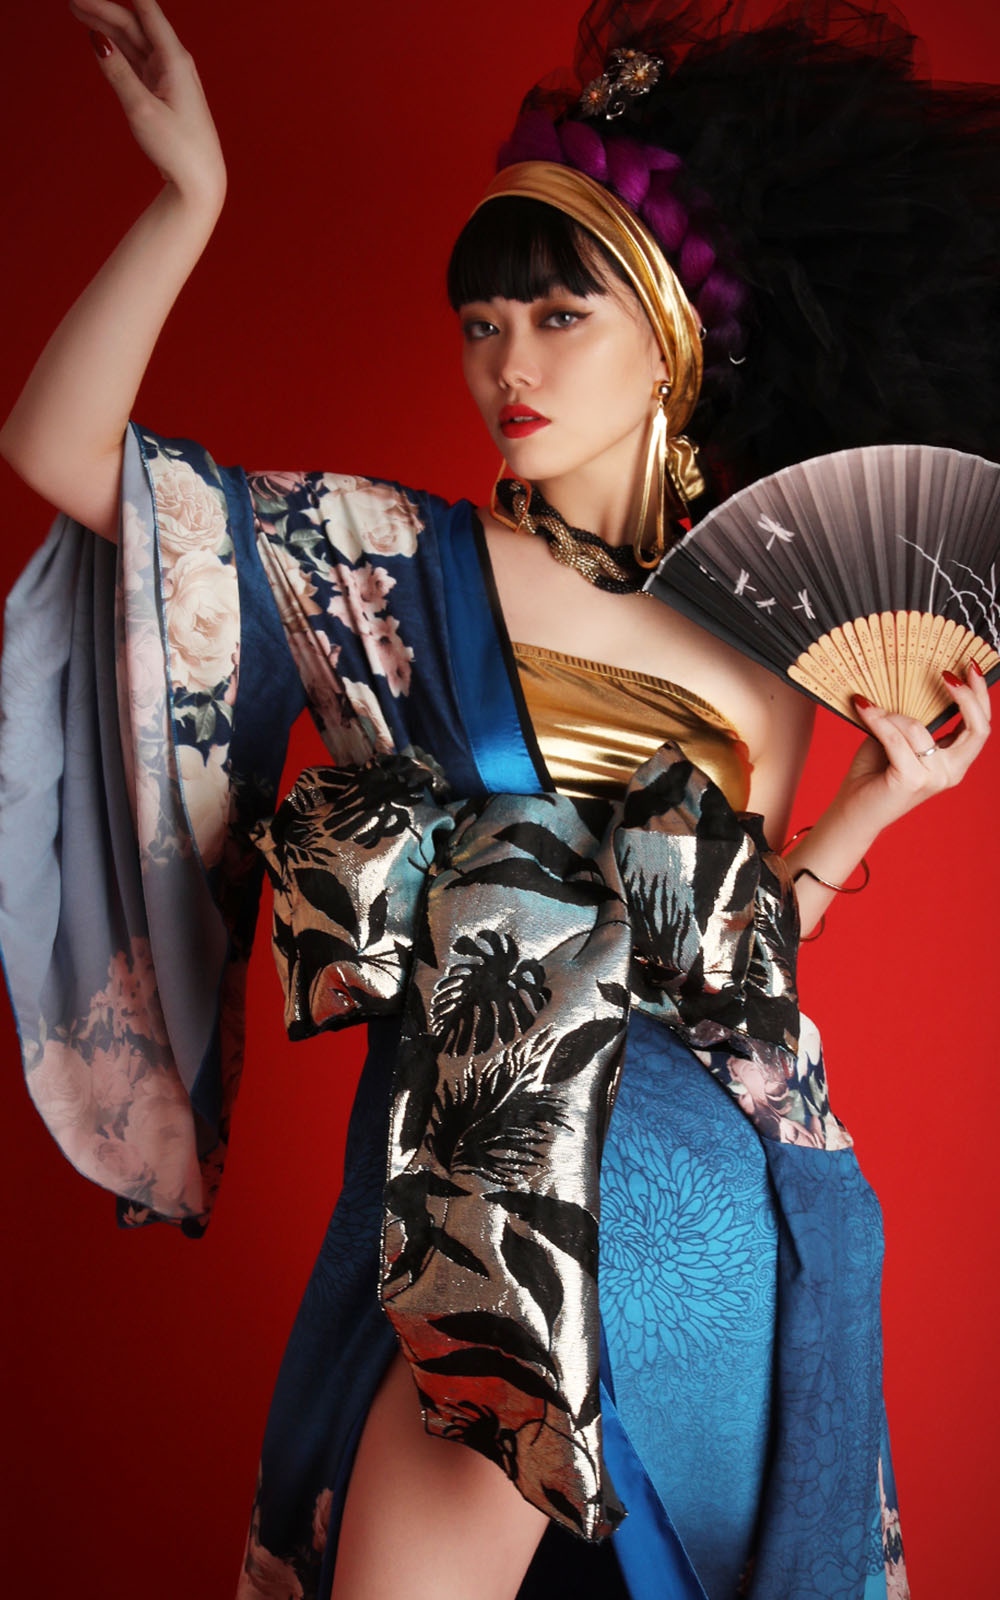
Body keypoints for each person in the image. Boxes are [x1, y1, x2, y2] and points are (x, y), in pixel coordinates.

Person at [0, 1, 996, 1597]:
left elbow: (721, 967)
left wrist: (874, 806)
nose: (506, 364)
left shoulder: (764, 653)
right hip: (573, 1189)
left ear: (670, 336)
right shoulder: (392, 562)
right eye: (478, 323)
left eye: (556, 314)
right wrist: (190, 198)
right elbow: (64, 451)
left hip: (593, 1205)